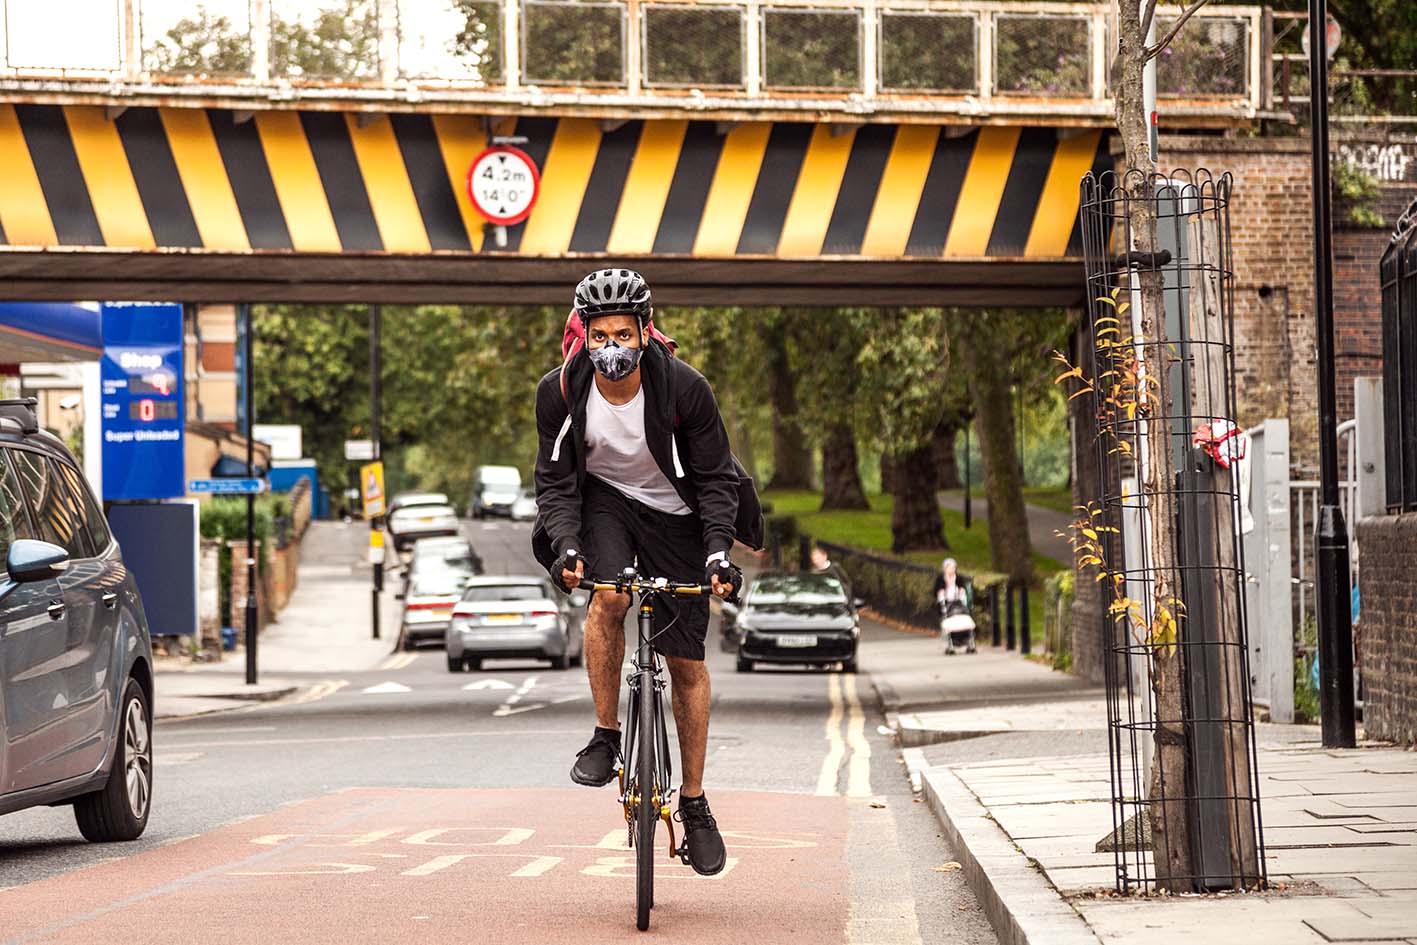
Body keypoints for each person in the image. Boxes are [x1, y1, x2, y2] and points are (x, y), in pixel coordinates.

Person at [531, 268, 741, 877]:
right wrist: (567, 547)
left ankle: (695, 804)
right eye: (601, 335)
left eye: (624, 333)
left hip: (678, 516)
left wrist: (718, 552)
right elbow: (555, 482)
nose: (612, 348)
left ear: (645, 332)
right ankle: (605, 735)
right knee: (607, 600)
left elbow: (715, 479)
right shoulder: (561, 392)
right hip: (606, 504)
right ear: (584, 334)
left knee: (687, 664)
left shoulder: (684, 389)